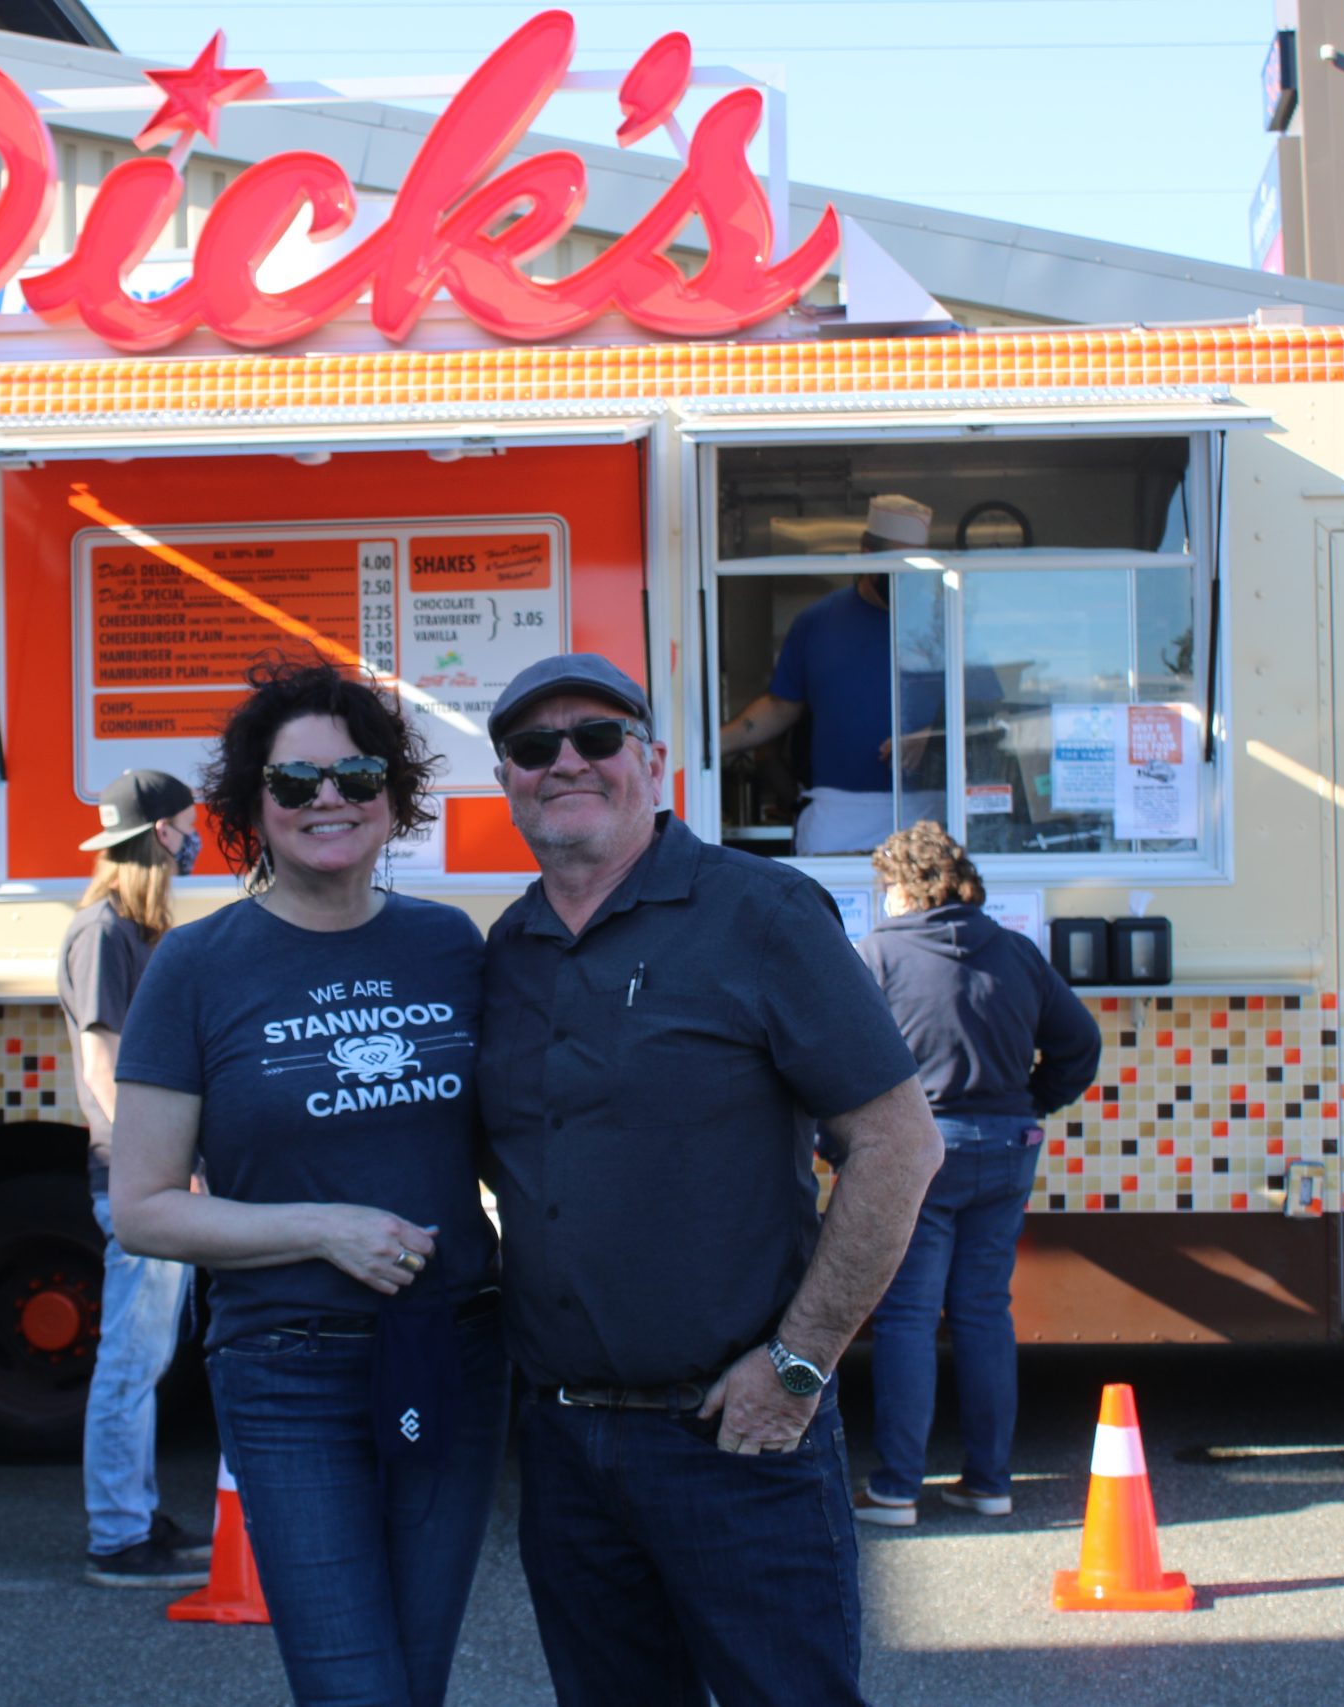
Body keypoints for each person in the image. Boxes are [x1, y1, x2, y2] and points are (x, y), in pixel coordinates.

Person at [477, 651, 944, 1707]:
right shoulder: (509, 950)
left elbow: (898, 1146)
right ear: (505, 778)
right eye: (533, 748)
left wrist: (799, 1364)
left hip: (734, 1442)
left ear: (653, 761)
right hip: (563, 1448)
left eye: (597, 739)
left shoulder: (762, 915)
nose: (567, 763)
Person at [110, 661, 505, 1707]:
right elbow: (142, 1207)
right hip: (288, 1369)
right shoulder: (197, 966)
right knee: (353, 1689)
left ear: (392, 793)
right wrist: (322, 1228)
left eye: (354, 774)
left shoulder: (445, 943)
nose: (327, 798)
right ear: (254, 808)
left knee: (413, 1681)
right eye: (293, 784)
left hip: (451, 1350)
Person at [850, 823, 1100, 1528]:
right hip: (1008, 1145)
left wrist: (842, 1143)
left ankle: (897, 1489)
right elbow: (1080, 1044)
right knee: (985, 1312)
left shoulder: (878, 958)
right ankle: (990, 1482)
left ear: (902, 886)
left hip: (920, 1153)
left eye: (886, 887)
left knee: (906, 1315)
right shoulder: (1016, 952)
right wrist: (1033, 1101)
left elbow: (838, 1059)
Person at [60, 770, 212, 1589]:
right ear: (160, 835)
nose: (195, 840)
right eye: (188, 827)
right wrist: (163, 1170)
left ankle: (135, 1512)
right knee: (130, 1358)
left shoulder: (135, 932)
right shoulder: (104, 933)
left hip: (154, 1178)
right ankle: (118, 1536)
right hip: (138, 1181)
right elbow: (104, 1064)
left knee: (148, 1356)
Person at [719, 495, 944, 854]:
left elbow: (983, 714)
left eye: (916, 563)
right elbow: (780, 706)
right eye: (897, 561)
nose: (907, 574)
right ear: (867, 553)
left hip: (928, 813)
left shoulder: (941, 621)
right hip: (838, 818)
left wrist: (933, 737)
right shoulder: (818, 621)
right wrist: (712, 745)